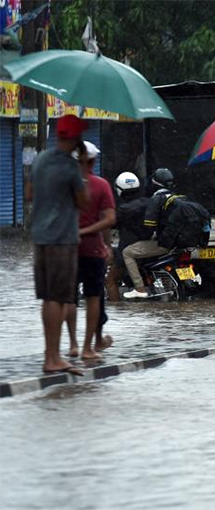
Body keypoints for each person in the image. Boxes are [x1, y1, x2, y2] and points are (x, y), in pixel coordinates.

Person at [25, 114, 90, 375]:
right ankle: (53, 359)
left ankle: (49, 355)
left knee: (47, 298)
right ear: (75, 139)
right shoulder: (71, 168)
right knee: (59, 298)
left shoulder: (40, 159)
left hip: (40, 237)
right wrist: (83, 168)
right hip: (62, 239)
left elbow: (29, 194)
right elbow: (84, 203)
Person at [65, 141, 115, 361]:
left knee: (69, 298)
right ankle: (88, 347)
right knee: (93, 296)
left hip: (66, 248)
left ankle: (73, 345)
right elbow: (109, 220)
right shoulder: (101, 185)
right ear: (93, 161)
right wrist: (102, 243)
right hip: (92, 249)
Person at [122, 168, 175, 298]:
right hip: (178, 242)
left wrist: (144, 236)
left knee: (127, 252)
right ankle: (168, 287)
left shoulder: (156, 199)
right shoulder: (176, 198)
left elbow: (149, 228)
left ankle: (139, 289)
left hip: (164, 243)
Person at [107, 172, 149, 301]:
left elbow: (110, 224)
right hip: (150, 247)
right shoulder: (148, 202)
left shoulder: (123, 210)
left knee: (110, 280)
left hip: (129, 248)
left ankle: (116, 311)